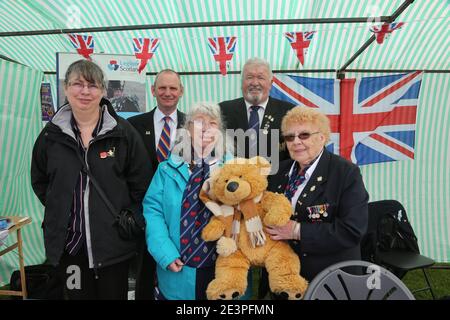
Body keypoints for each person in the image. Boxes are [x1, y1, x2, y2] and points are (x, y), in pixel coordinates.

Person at [31, 59, 152, 300]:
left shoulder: (123, 132)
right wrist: (62, 208)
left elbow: (142, 184)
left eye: (93, 85)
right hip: (70, 246)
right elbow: (41, 181)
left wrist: (128, 216)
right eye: (78, 84)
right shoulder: (50, 135)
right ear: (66, 88)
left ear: (103, 91)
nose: (85, 91)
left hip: (112, 246)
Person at [260, 106, 369, 297]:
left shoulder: (345, 173)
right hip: (283, 278)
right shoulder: (278, 171)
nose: (296, 142)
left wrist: (297, 231)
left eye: (304, 135)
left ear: (322, 137)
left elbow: (352, 230)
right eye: (289, 137)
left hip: (331, 278)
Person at [142, 102, 234, 300]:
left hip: (224, 266)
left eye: (213, 123)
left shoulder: (234, 169)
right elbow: (152, 211)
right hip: (178, 267)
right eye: (199, 122)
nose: (206, 128)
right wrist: (165, 253)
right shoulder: (167, 169)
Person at [127, 69, 186, 299]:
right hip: (144, 212)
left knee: (175, 270)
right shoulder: (132, 125)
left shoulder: (192, 125)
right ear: (153, 90)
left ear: (181, 92)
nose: (167, 93)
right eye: (162, 88)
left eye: (173, 88)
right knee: (143, 272)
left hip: (178, 215)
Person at [219, 57, 295, 164]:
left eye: (261, 77)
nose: (255, 83)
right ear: (241, 82)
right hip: (235, 178)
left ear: (270, 83)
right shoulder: (223, 110)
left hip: (276, 178)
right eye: (249, 77)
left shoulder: (289, 112)